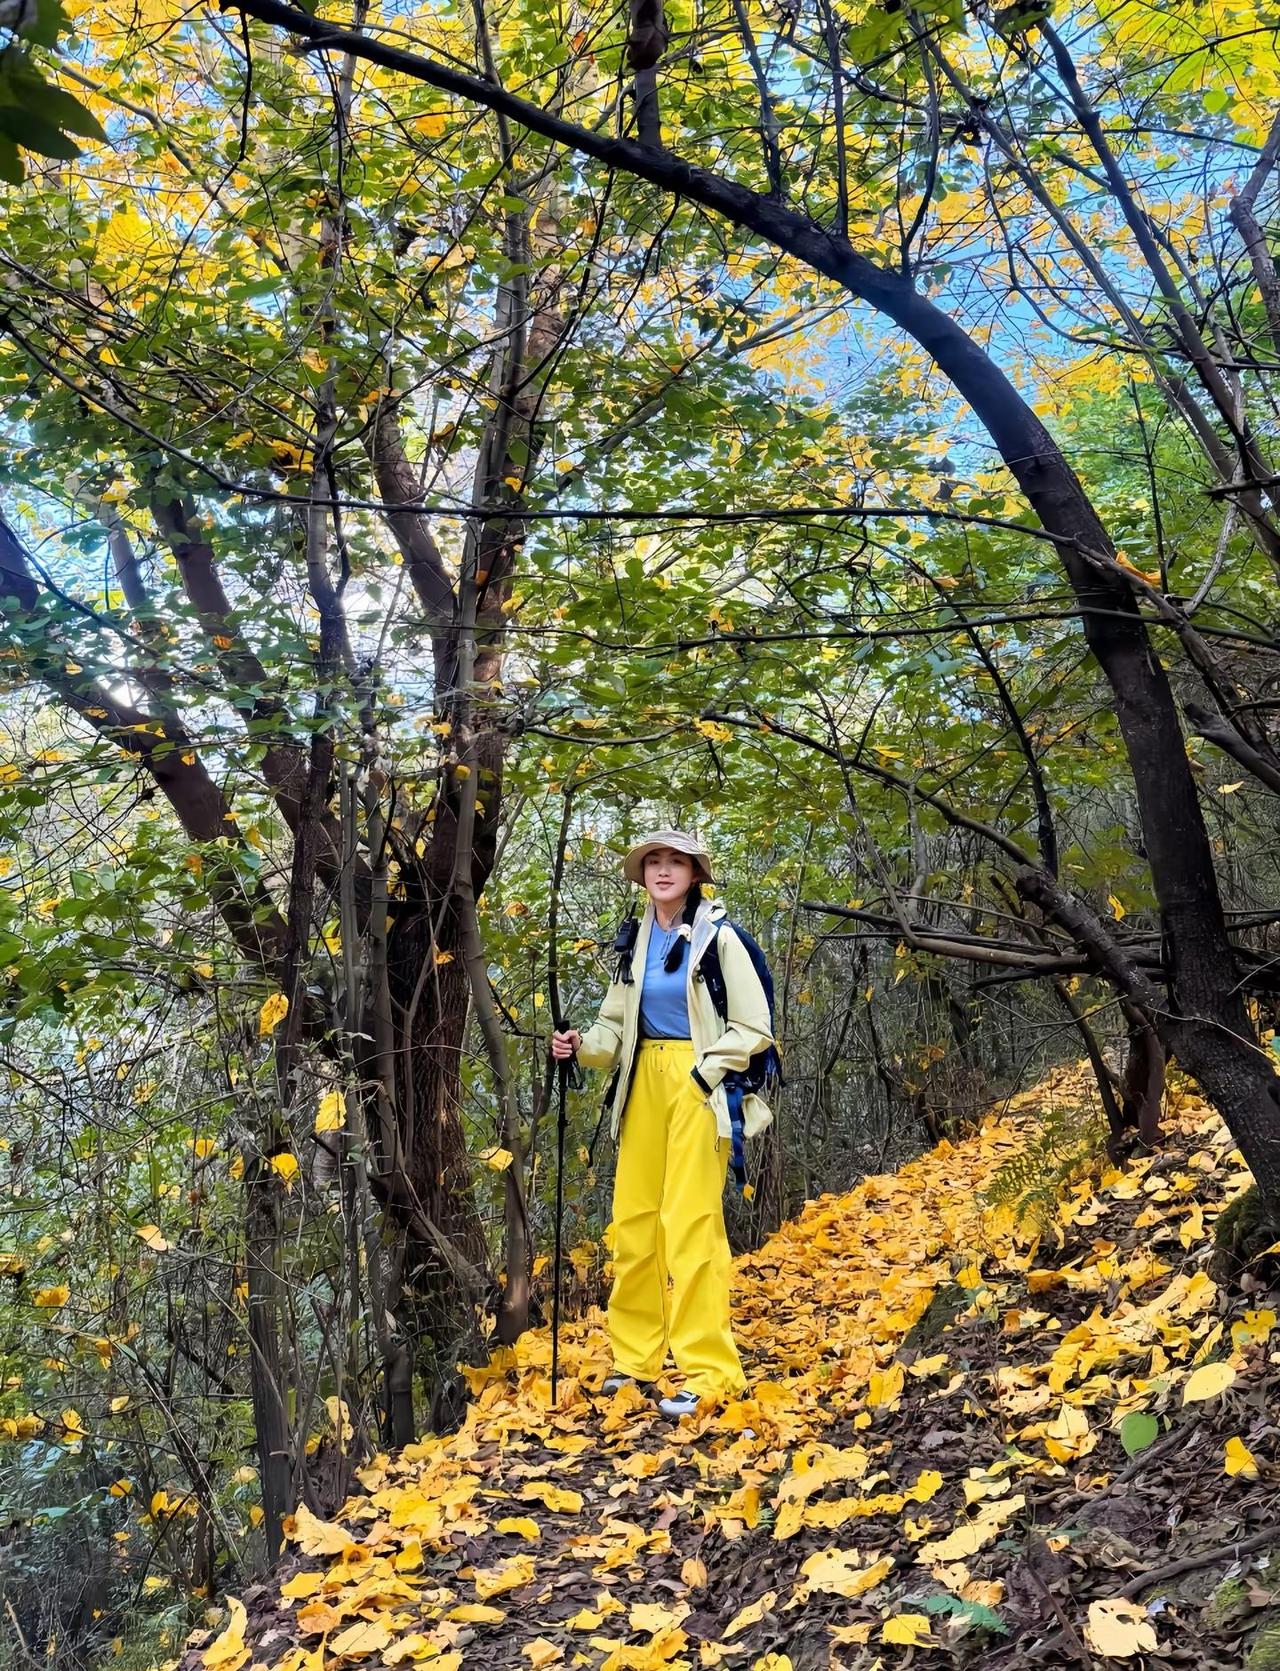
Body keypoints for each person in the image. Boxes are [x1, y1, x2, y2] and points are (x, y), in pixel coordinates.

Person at [551, 830, 774, 1419]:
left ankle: (710, 1373)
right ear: (642, 872)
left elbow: (754, 1027)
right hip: (641, 1083)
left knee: (691, 1224)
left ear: (695, 873)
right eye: (654, 860)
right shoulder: (637, 939)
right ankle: (635, 1363)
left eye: (676, 860)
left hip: (699, 1085)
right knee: (634, 1223)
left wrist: (705, 1075)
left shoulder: (720, 939)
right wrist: (580, 1046)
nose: (664, 869)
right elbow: (613, 1027)